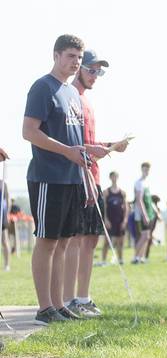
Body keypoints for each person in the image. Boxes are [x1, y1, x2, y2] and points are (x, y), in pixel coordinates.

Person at [22, 34, 103, 323]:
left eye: (79, 58)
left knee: (65, 241)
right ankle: (44, 308)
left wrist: (88, 175)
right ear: (56, 55)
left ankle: (58, 305)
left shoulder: (73, 95)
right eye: (70, 56)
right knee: (47, 241)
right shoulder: (43, 88)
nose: (75, 62)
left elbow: (77, 144)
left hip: (73, 178)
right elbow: (30, 132)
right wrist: (66, 152)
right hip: (48, 176)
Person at [63, 50, 129, 318]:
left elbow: (89, 141)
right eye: (91, 69)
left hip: (94, 176)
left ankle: (83, 297)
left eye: (99, 72)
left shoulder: (86, 101)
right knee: (76, 242)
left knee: (90, 241)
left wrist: (111, 145)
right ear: (79, 68)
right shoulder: (69, 97)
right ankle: (68, 300)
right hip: (79, 177)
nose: (95, 76)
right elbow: (71, 142)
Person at [101, 171, 128, 265]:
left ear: (118, 177)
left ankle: (120, 260)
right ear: (110, 178)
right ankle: (103, 261)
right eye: (112, 176)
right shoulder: (106, 192)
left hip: (120, 220)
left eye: (116, 176)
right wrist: (105, 219)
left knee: (120, 242)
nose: (114, 178)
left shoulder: (122, 192)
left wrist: (125, 220)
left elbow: (126, 207)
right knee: (107, 242)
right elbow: (104, 207)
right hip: (110, 220)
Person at [132, 162, 156, 264]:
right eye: (145, 169)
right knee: (144, 236)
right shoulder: (139, 182)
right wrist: (144, 215)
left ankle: (140, 258)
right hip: (141, 214)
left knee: (147, 236)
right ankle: (135, 257)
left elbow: (149, 200)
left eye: (148, 169)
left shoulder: (147, 183)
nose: (146, 171)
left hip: (149, 214)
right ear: (142, 169)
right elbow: (139, 199)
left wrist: (155, 212)